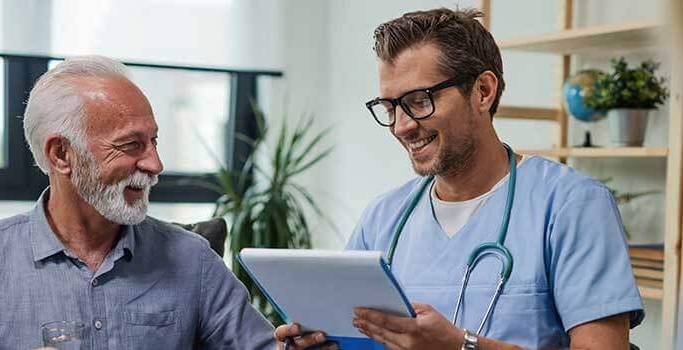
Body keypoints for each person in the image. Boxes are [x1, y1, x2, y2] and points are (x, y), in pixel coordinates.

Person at [275, 8, 643, 349]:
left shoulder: (571, 205)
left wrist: (462, 346)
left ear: (483, 91)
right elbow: (354, 333)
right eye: (390, 107)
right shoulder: (384, 218)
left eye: (419, 100)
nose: (402, 126)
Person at [0, 55, 275, 350]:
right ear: (61, 155)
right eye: (131, 145)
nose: (154, 165)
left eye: (153, 142)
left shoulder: (193, 261)